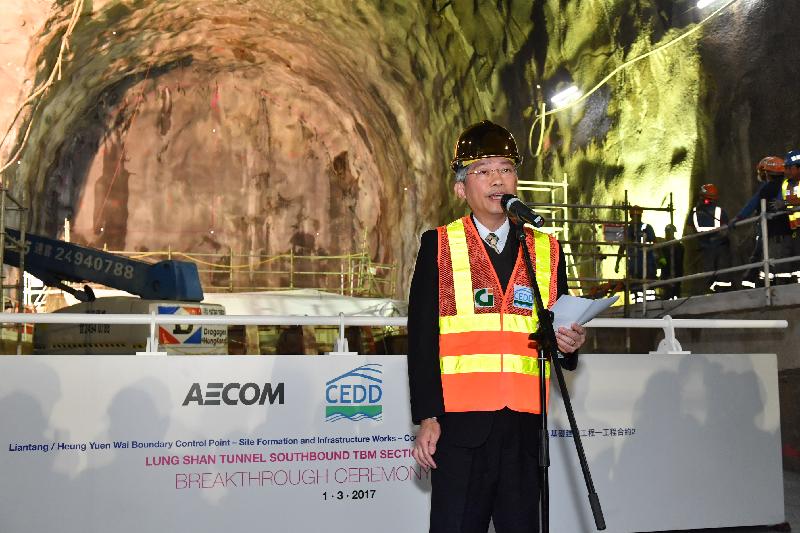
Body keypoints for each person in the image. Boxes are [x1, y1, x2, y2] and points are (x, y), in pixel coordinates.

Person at [406, 120, 585, 533]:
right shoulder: (439, 246)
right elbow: (421, 341)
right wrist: (428, 417)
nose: (496, 179)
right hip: (461, 426)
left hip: (525, 426)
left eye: (504, 168)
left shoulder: (546, 248)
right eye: (482, 171)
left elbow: (559, 334)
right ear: (460, 189)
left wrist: (570, 344)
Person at [731, 156, 791, 286]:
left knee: (768, 255)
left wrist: (738, 218)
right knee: (773, 257)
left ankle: (761, 283)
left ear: (767, 173)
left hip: (774, 230)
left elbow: (752, 204)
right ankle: (764, 282)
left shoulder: (769, 188)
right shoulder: (786, 185)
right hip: (784, 230)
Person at [689, 183, 733, 292]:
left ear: (701, 197)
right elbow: (726, 229)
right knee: (723, 272)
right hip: (721, 246)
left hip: (705, 248)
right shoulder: (719, 210)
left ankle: (711, 291)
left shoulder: (694, 212)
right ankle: (723, 293)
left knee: (708, 273)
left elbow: (689, 230)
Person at [614, 205, 656, 285]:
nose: (637, 218)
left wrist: (661, 257)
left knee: (648, 287)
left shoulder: (647, 228)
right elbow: (622, 247)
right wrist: (617, 263)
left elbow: (655, 243)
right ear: (631, 216)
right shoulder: (627, 230)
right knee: (635, 288)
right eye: (635, 216)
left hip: (647, 264)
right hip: (634, 265)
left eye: (638, 216)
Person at [781, 150, 800, 281]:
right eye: (785, 168)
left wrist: (785, 203)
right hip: (793, 228)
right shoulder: (785, 184)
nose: (786, 171)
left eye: (789, 168)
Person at [657, 223, 684, 298]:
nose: (668, 234)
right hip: (667, 273)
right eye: (667, 232)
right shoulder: (663, 246)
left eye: (669, 232)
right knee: (667, 294)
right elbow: (660, 261)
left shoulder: (679, 246)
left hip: (677, 273)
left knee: (677, 292)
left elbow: (681, 261)